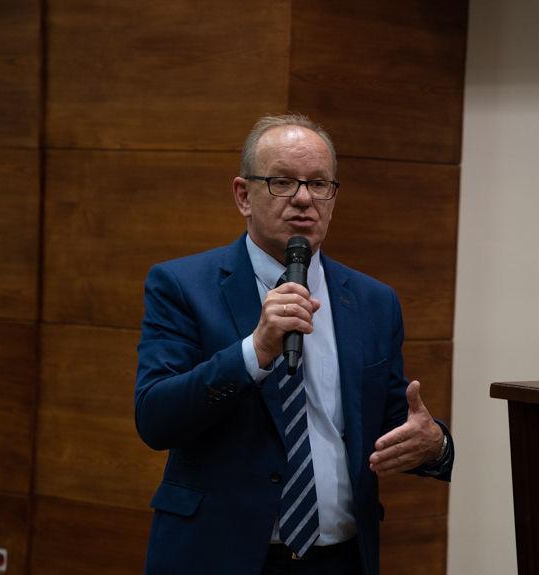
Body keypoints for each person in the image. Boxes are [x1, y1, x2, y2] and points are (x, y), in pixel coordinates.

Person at [135, 114, 454, 575]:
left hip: (340, 558)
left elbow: (389, 422)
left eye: (318, 184)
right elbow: (155, 418)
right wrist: (254, 351)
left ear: (333, 197)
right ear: (243, 195)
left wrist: (435, 444)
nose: (303, 198)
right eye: (282, 181)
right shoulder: (183, 286)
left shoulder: (373, 301)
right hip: (219, 555)